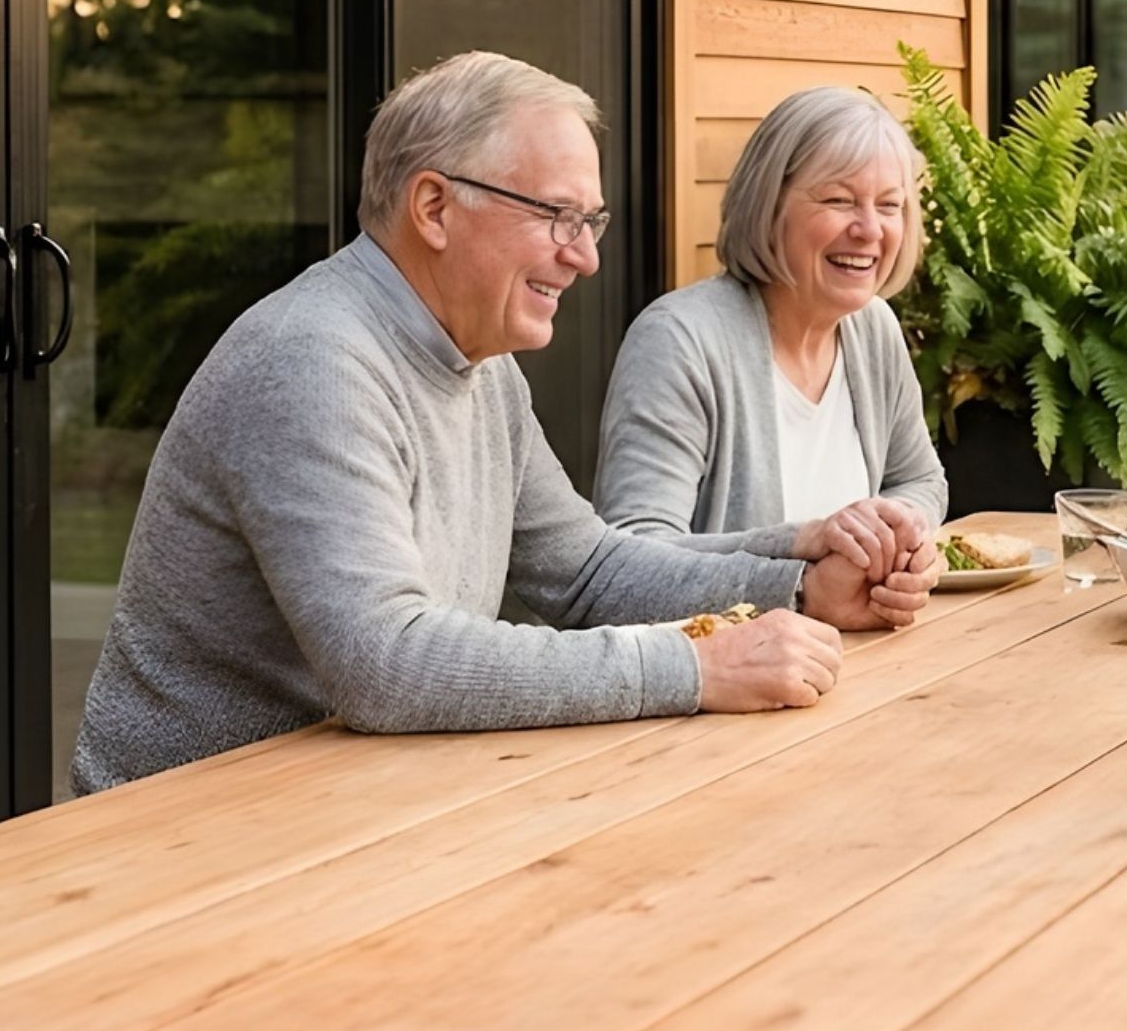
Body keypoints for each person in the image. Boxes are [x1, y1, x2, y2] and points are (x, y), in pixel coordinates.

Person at [70, 53, 935, 794]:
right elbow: (386, 664)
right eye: (557, 216)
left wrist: (796, 572)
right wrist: (695, 667)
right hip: (194, 829)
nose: (586, 255)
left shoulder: (480, 370)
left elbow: (586, 570)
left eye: (590, 221)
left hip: (352, 797)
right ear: (434, 207)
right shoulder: (315, 362)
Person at [596, 86, 948, 578]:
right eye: (838, 199)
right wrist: (801, 544)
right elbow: (631, 558)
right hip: (721, 652)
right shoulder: (680, 340)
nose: (870, 229)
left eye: (890, 205)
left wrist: (899, 537)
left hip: (865, 645)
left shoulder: (873, 328)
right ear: (768, 204)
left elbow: (919, 479)